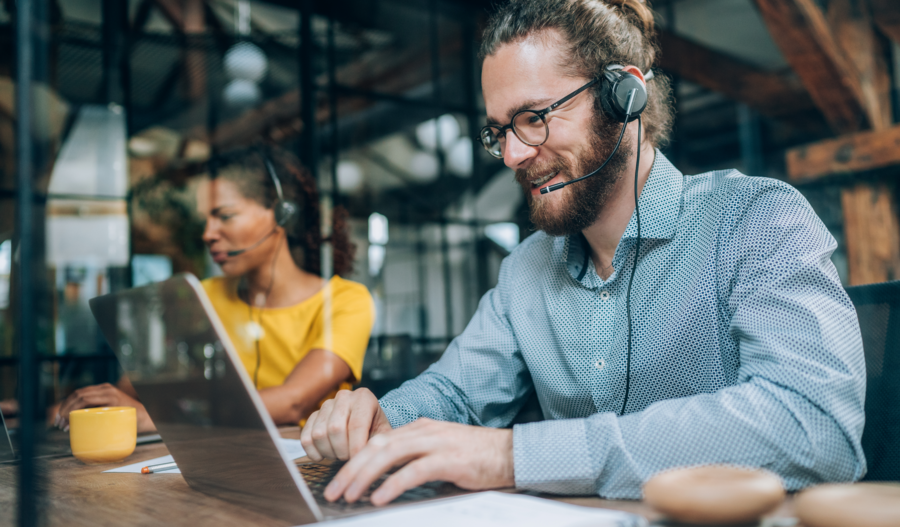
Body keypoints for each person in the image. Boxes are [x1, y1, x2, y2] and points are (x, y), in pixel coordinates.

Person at [299, 0, 866, 506]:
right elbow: (454, 393)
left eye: (535, 118)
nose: (513, 156)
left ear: (625, 97)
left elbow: (815, 424)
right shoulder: (526, 270)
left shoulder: (757, 220)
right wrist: (379, 417)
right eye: (499, 131)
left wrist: (511, 457)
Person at [55, 148, 374, 433]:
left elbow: (294, 403)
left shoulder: (346, 300)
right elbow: (137, 388)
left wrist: (164, 420)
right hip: (218, 455)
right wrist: (63, 409)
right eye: (205, 220)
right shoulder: (202, 295)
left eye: (225, 216)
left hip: (305, 464)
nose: (208, 234)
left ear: (280, 213)